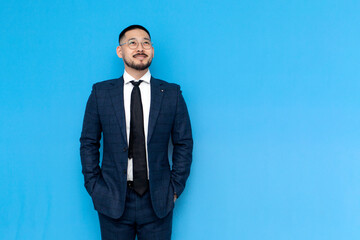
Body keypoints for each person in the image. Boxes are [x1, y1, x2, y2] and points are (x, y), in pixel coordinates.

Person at [80, 24, 193, 240]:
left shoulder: (171, 94)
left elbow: (184, 143)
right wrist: (95, 187)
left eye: (146, 42)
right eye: (132, 43)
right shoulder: (101, 93)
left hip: (157, 200)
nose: (140, 48)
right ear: (120, 51)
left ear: (152, 49)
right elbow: (88, 142)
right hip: (112, 198)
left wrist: (174, 188)